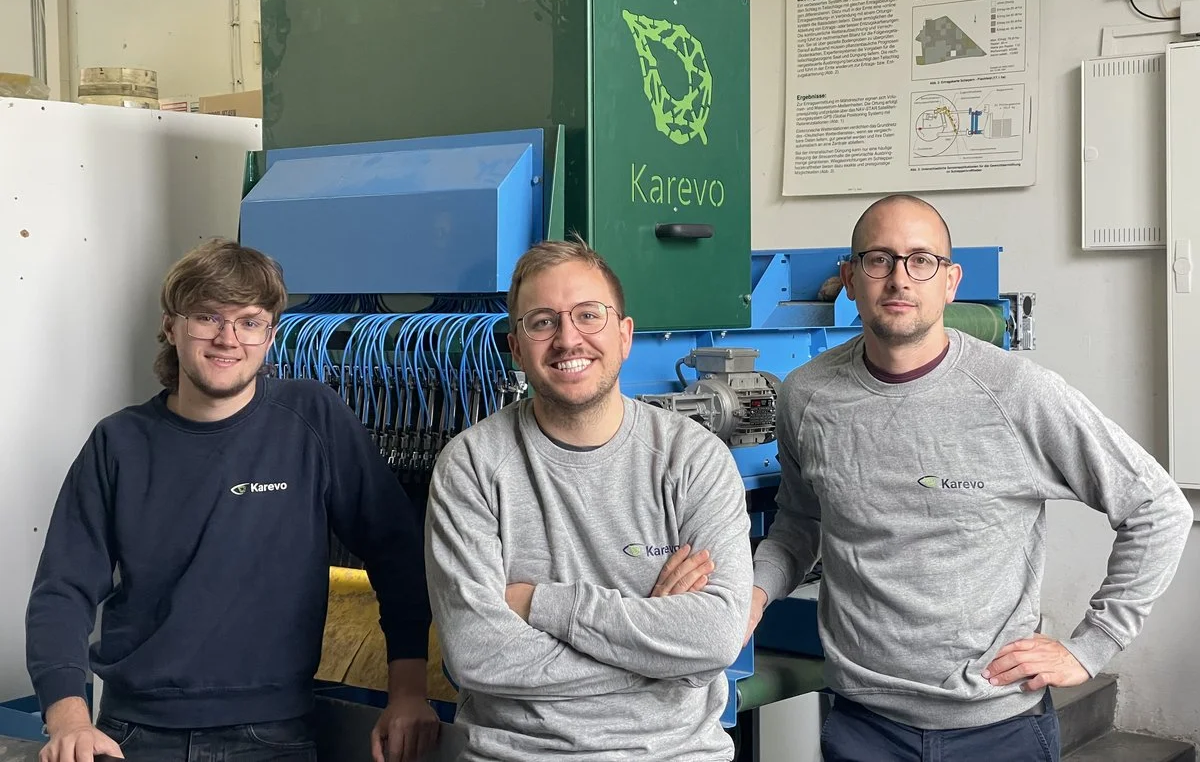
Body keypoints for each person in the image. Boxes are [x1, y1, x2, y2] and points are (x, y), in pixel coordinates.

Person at [746, 194, 1193, 761]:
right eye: (878, 260)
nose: (899, 279)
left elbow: (1157, 506)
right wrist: (755, 592)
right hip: (863, 725)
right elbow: (800, 520)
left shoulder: (1019, 394)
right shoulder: (806, 395)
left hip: (998, 727)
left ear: (951, 281)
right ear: (850, 279)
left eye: (921, 260)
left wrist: (1092, 646)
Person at [26, 238, 440, 762]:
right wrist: (68, 720)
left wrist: (407, 691)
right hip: (132, 735)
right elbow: (62, 589)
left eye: (249, 321)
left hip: (272, 737)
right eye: (207, 317)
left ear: (270, 335)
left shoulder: (312, 418)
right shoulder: (119, 443)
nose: (228, 338)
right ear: (170, 326)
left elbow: (395, 553)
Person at [424, 237, 753, 761]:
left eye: (588, 315)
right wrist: (661, 655)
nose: (567, 339)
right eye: (542, 322)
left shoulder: (694, 458)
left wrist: (539, 603)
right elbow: (476, 653)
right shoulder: (472, 466)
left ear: (625, 336)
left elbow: (714, 638)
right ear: (515, 347)